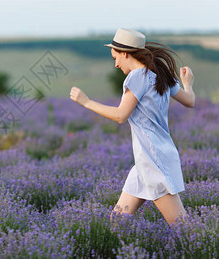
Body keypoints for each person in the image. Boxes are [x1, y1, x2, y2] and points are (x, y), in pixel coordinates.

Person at [69, 28, 195, 226]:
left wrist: (86, 102)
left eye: (115, 58)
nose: (116, 64)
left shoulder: (136, 77)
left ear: (125, 53)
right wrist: (187, 84)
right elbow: (190, 101)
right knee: (116, 223)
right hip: (147, 160)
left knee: (184, 228)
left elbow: (120, 115)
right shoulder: (159, 74)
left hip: (154, 161)